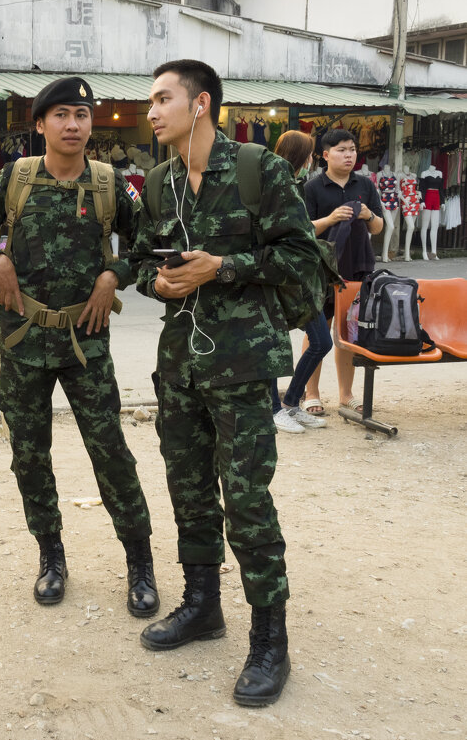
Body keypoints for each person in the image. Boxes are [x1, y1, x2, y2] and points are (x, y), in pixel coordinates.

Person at [132, 59, 320, 707]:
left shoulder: (256, 170)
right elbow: (136, 260)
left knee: (246, 502)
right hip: (180, 364)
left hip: (241, 367)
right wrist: (151, 280)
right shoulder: (158, 183)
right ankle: (203, 603)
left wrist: (224, 267)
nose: (152, 111)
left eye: (163, 98)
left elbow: (303, 258)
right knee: (188, 490)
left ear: (201, 103)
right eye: (150, 101)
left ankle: (271, 639)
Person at [0, 76, 159, 619]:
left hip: (87, 342)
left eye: (82, 115)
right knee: (30, 456)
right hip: (23, 343)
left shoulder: (114, 183)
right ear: (40, 124)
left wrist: (115, 274)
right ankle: (51, 557)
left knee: (111, 452)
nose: (74, 125)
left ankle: (140, 564)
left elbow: (148, 244)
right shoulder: (12, 180)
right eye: (62, 115)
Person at [301, 129, 384, 416]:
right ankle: (311, 393)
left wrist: (368, 216)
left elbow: (379, 227)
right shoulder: (312, 187)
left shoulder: (365, 184)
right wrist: (331, 218)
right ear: (325, 155)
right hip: (320, 270)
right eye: (341, 150)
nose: (349, 155)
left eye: (352, 149)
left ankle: (346, 394)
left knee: (348, 331)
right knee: (317, 332)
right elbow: (303, 229)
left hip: (357, 269)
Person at [268, 131, 331, 435]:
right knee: (272, 344)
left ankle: (291, 402)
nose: (312, 161)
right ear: (299, 156)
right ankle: (272, 409)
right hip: (278, 276)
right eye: (310, 155)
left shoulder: (297, 186)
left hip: (303, 278)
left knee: (321, 341)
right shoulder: (274, 186)